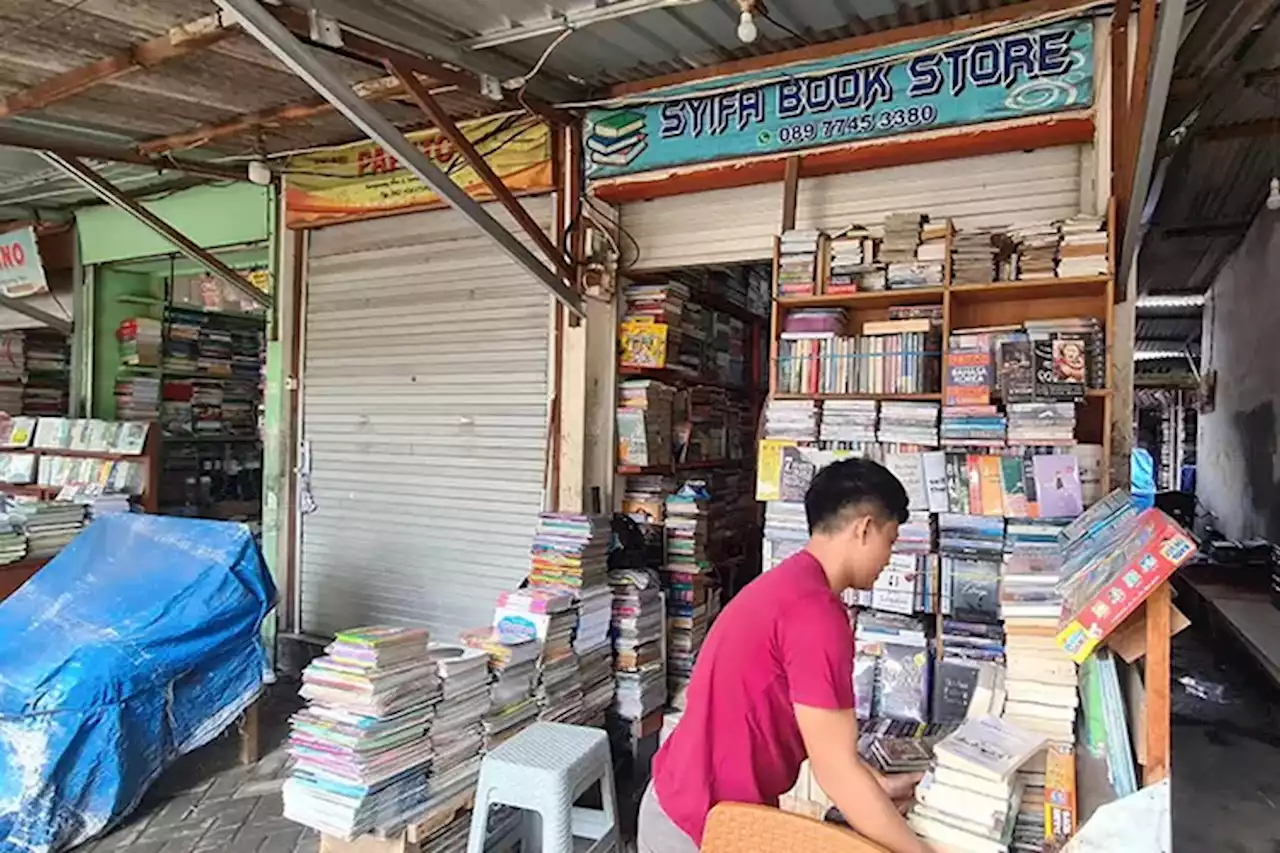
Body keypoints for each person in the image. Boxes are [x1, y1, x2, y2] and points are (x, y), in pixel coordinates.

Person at [637, 457, 933, 853]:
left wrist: (876, 787)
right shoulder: (817, 616)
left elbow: (823, 741)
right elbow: (837, 772)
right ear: (864, 529)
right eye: (890, 541)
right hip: (698, 827)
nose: (888, 558)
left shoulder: (786, 584)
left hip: (681, 800)